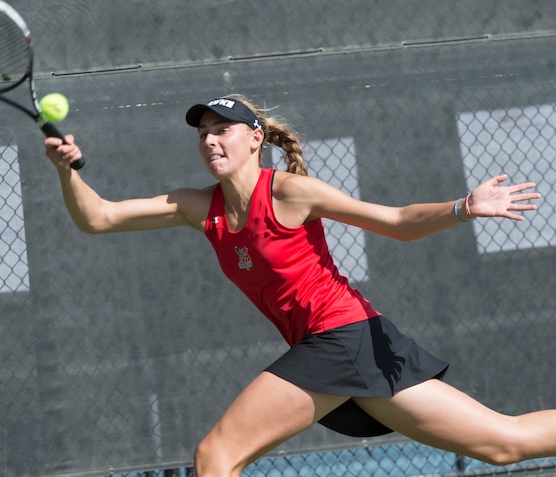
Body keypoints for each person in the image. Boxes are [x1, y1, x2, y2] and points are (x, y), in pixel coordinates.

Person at [44, 94, 556, 476]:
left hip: (342, 336)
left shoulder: (290, 192)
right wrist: (67, 172)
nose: (210, 139)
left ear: (255, 139)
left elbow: (398, 222)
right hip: (356, 346)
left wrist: (464, 208)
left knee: (215, 455)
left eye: (223, 128)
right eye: (202, 131)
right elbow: (99, 217)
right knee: (502, 443)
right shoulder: (199, 207)